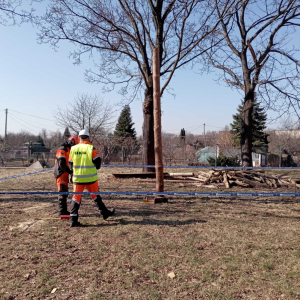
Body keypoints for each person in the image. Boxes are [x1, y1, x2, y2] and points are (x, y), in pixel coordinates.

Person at [69, 129, 115, 227]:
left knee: (76, 198)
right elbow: (98, 163)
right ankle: (104, 213)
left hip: (77, 179)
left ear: (79, 137)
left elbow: (70, 164)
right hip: (91, 178)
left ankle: (73, 220)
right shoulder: (91, 148)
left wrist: (73, 173)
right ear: (88, 137)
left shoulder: (73, 149)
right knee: (95, 195)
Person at [54, 135, 79, 218]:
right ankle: (62, 211)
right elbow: (61, 163)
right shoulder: (62, 149)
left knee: (65, 192)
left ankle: (64, 210)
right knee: (62, 192)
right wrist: (70, 171)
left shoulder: (69, 149)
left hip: (65, 173)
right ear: (71, 142)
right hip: (61, 173)